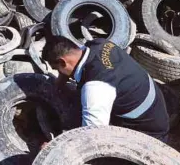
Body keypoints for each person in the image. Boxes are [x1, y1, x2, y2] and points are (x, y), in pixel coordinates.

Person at [42, 36, 170, 142]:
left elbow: (93, 137)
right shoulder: (99, 44)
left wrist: (56, 146)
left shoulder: (96, 87)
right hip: (154, 105)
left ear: (63, 62)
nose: (59, 73)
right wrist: (62, 77)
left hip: (149, 132)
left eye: (57, 69)